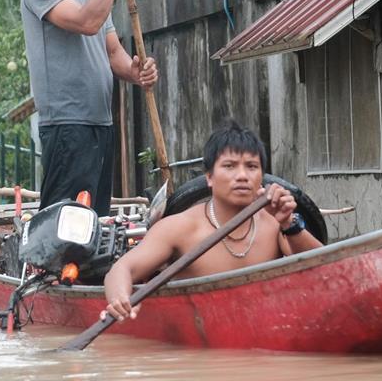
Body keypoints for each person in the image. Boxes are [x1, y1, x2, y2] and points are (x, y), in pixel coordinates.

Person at [102, 120, 322, 322]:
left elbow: (325, 272)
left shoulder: (274, 223)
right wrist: (120, 298)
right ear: (209, 177)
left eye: (252, 167)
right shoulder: (179, 227)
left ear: (261, 176)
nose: (242, 175)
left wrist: (289, 223)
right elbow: (122, 269)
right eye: (229, 166)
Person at [21, 0, 158, 216]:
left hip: (101, 122)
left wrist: (139, 71)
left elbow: (113, 53)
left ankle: (93, 268)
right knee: (65, 221)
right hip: (67, 123)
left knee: (95, 218)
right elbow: (86, 22)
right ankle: (57, 268)